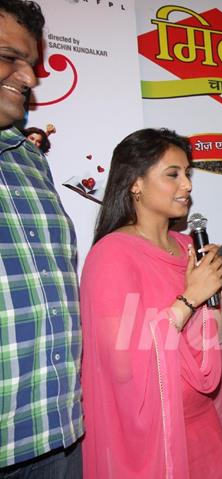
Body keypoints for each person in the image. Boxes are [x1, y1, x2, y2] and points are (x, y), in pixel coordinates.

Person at [80, 128, 222, 478]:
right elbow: (123, 366)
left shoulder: (189, 249)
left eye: (187, 174)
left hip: (205, 430)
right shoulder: (111, 256)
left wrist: (219, 295)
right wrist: (190, 298)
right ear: (135, 184)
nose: (186, 185)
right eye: (172, 174)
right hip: (152, 443)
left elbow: (212, 344)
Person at [0, 2, 84, 477]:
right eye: (9, 57)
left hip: (60, 437)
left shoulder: (32, 160)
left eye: (30, 64)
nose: (29, 79)